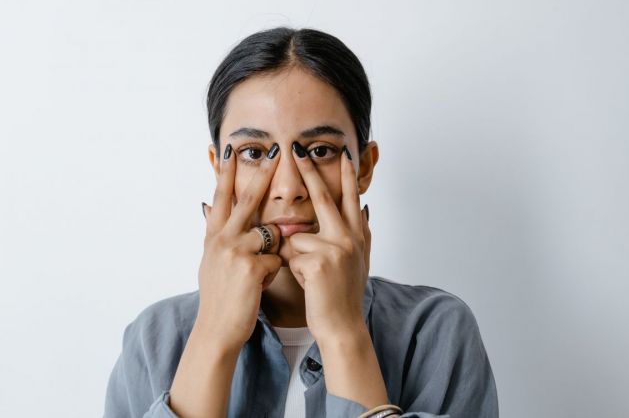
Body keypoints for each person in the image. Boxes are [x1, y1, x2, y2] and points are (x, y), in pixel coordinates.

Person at [104, 26, 499, 418]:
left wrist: (344, 333)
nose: (289, 187)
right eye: (254, 153)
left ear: (363, 166)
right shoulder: (155, 340)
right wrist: (212, 336)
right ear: (219, 167)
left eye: (320, 150)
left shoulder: (433, 332)